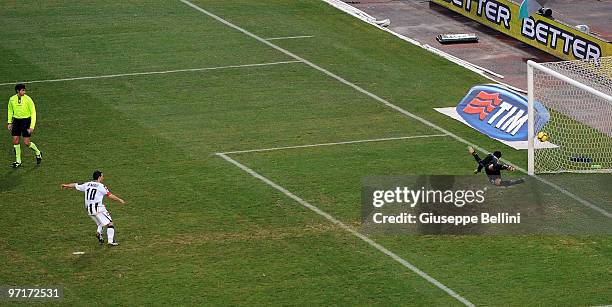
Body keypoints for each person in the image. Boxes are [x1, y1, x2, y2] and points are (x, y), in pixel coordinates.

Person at [61, 170, 126, 246]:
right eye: (102, 176)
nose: (103, 178)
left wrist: (67, 185)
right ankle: (110, 241)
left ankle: (99, 233)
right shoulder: (101, 186)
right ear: (99, 177)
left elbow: (76, 185)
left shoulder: (87, 184)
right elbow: (110, 195)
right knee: (110, 223)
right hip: (98, 208)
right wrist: (119, 200)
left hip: (89, 210)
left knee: (100, 223)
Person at [7, 83, 42, 168]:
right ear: (17, 91)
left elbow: (33, 113)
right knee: (15, 140)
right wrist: (9, 122)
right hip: (16, 121)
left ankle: (38, 152)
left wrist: (32, 126)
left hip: (26, 121)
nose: (24, 92)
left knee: (26, 142)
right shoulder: (12, 99)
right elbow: (10, 110)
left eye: (24, 90)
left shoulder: (28, 99)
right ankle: (18, 161)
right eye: (22, 90)